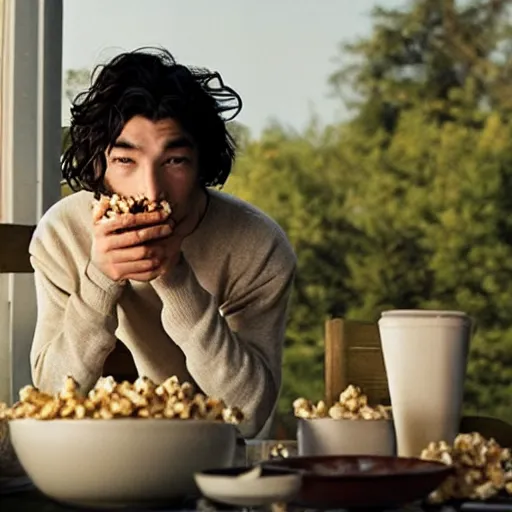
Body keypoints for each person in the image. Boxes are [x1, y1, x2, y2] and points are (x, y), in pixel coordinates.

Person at [29, 48, 296, 438]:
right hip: (92, 455)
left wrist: (175, 277)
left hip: (214, 461)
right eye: (125, 161)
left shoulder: (259, 247)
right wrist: (100, 278)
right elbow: (49, 398)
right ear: (98, 165)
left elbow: (251, 415)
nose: (151, 190)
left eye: (174, 161)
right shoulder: (61, 235)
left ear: (201, 164)